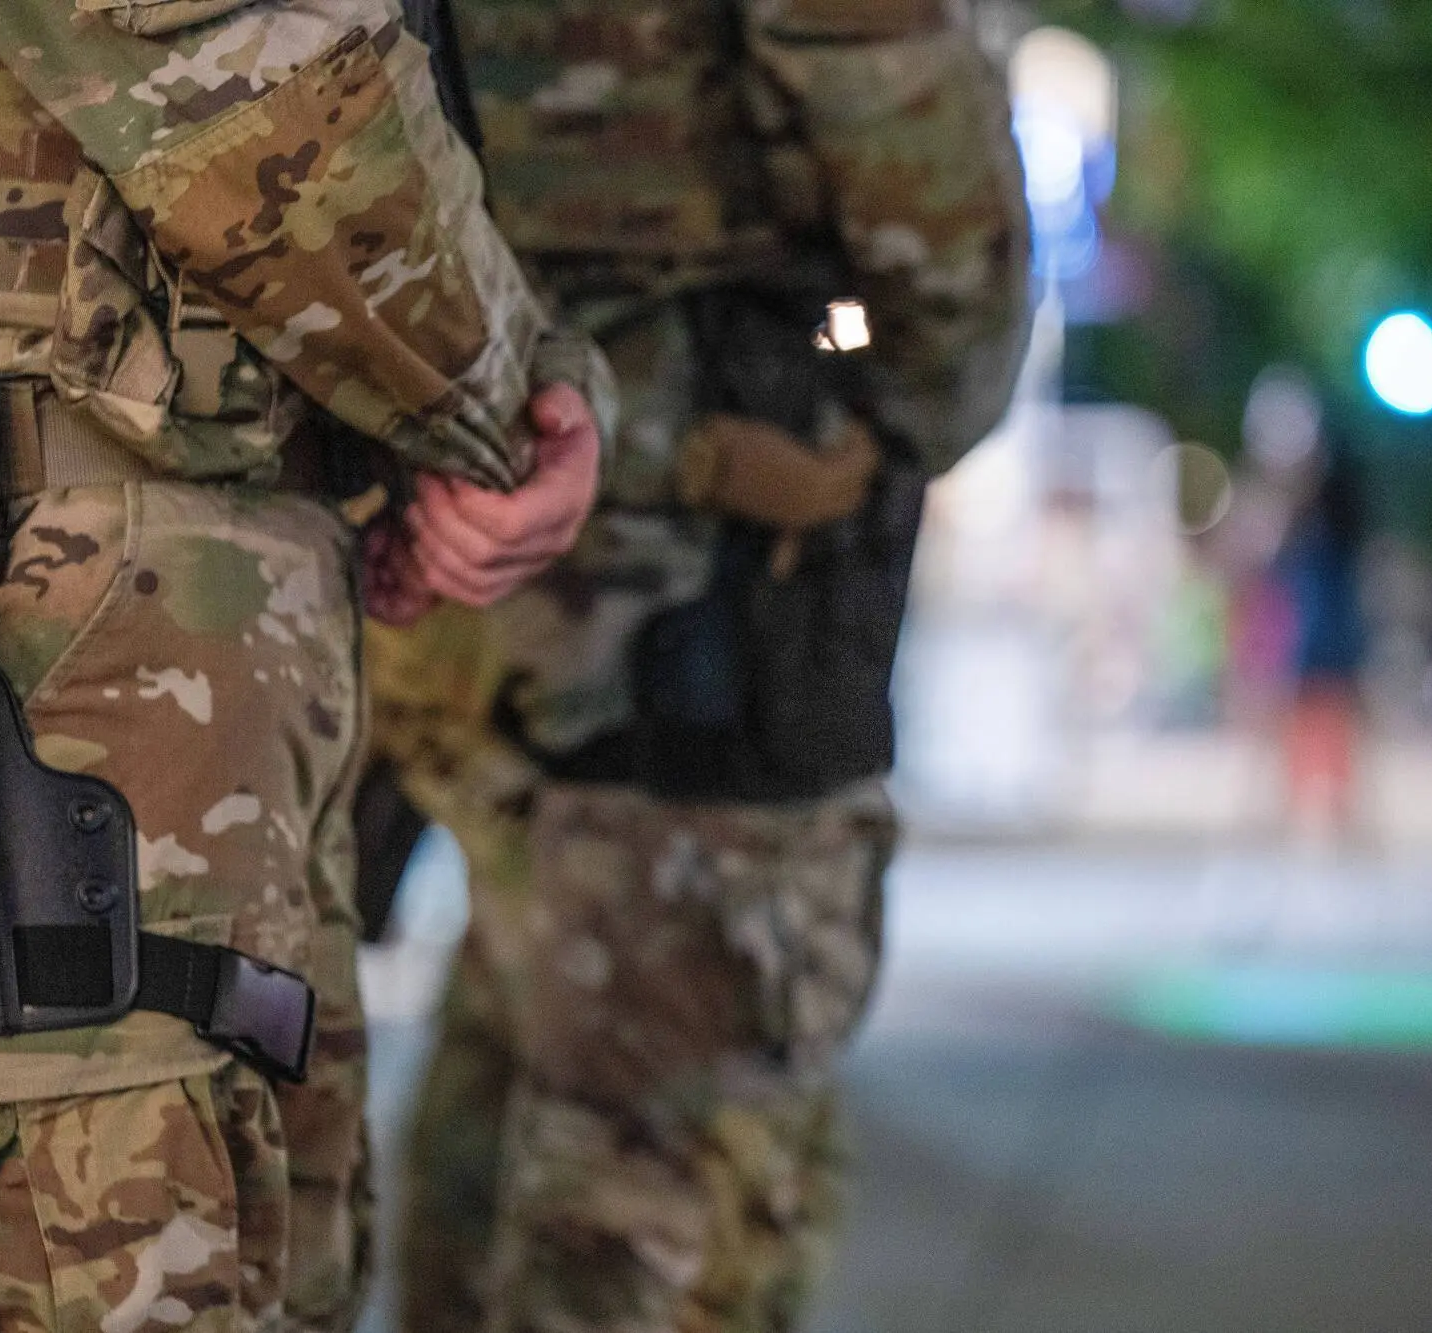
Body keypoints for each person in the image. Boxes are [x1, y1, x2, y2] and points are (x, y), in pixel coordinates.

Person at [0, 0, 608, 1327]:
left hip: (72, 581)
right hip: (81, 616)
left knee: (230, 1249)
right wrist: (520, 406)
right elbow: (271, 92)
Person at [365, 2, 1031, 1329]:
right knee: (666, 1242)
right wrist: (786, 434)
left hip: (447, 636)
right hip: (698, 675)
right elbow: (954, 319)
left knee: (482, 1195)